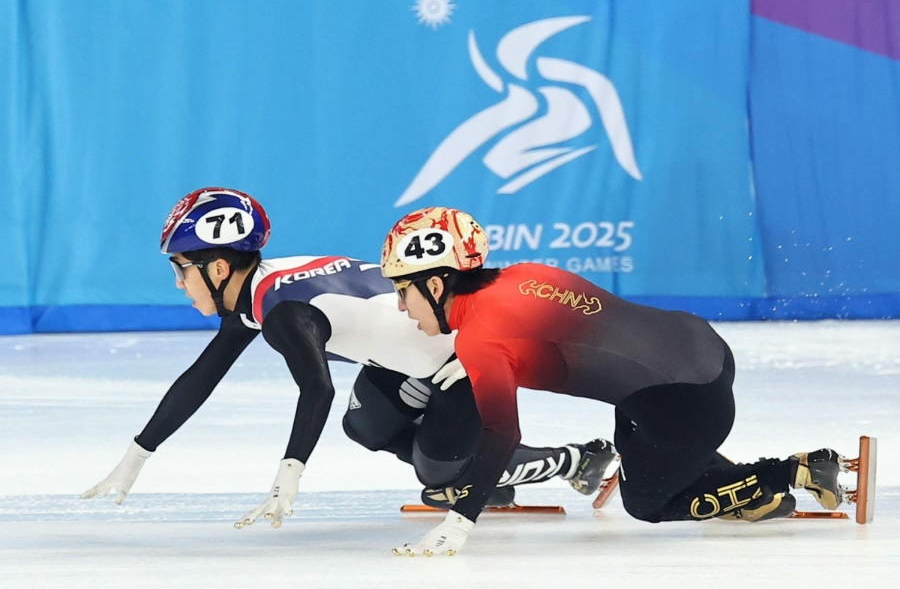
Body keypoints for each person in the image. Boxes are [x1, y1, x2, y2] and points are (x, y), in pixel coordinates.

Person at [81, 188, 615, 527]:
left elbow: (317, 388)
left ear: (218, 269)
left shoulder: (283, 311)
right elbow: (202, 376)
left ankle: (579, 459)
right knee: (364, 428)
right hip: (408, 360)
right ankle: (482, 471)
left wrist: (286, 477)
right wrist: (135, 458)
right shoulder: (260, 293)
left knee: (438, 480)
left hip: (463, 357)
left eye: (180, 271)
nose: (178, 284)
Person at [380, 206, 850, 556]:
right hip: (703, 347)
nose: (402, 308)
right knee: (636, 433)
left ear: (436, 286)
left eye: (403, 292)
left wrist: (460, 521)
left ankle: (789, 472)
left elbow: (502, 434)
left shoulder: (479, 339)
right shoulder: (525, 275)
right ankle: (741, 491)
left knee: (645, 503)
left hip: (686, 403)